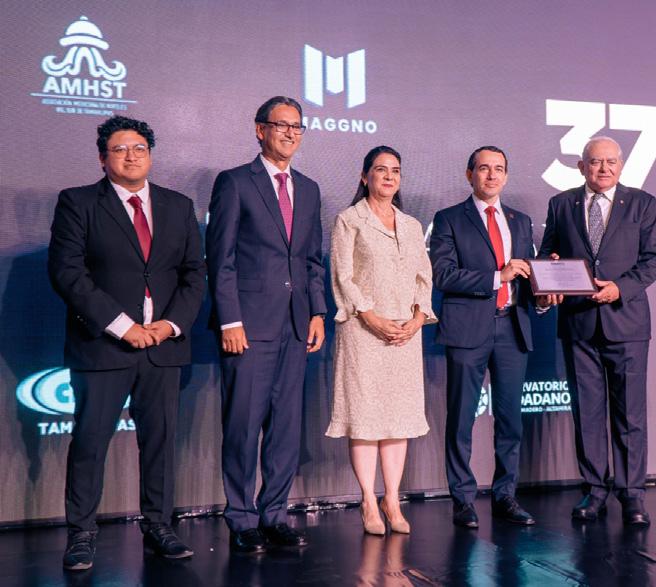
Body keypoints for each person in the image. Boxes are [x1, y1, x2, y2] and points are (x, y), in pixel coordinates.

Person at [48, 116, 206, 570]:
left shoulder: (177, 205)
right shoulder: (78, 202)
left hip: (163, 346)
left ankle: (159, 526)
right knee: (90, 442)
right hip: (104, 346)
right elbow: (67, 273)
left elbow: (194, 273)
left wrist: (170, 325)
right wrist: (121, 325)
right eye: (120, 149)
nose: (131, 156)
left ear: (150, 155)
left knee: (160, 443)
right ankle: (81, 533)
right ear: (103, 158)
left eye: (139, 148)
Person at [206, 96, 326, 553]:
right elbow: (221, 259)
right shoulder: (235, 182)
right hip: (248, 326)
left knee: (285, 429)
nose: (291, 133)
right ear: (260, 130)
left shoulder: (309, 188)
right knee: (243, 424)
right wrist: (230, 320)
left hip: (296, 325)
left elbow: (312, 259)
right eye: (281, 125)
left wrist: (317, 312)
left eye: (297, 126)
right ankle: (241, 518)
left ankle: (274, 514)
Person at [538, 136, 656, 526]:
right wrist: (551, 268)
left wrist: (619, 288)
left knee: (630, 414)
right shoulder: (561, 204)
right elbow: (546, 254)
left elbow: (653, 259)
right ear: (582, 167)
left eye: (611, 161)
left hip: (626, 323)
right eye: (595, 162)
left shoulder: (642, 203)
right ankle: (594, 489)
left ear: (621, 165)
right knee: (588, 414)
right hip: (578, 324)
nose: (604, 168)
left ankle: (632, 494)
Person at [326, 146, 436, 535]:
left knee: (398, 418)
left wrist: (419, 318)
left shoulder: (411, 224)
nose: (389, 176)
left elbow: (424, 277)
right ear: (364, 176)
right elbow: (342, 276)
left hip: (406, 333)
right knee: (366, 418)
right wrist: (370, 316)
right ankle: (368, 501)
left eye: (395, 171)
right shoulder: (348, 220)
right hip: (363, 331)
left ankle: (391, 498)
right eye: (380, 169)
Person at [430, 146, 539, 529]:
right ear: (469, 174)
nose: (491, 175)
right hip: (467, 328)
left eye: (498, 169)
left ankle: (505, 495)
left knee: (510, 420)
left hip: (512, 327)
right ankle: (462, 499)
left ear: (506, 176)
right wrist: (497, 277)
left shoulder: (521, 221)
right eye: (483, 169)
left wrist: (544, 295)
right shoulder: (448, 219)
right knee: (462, 417)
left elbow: (527, 276)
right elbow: (442, 274)